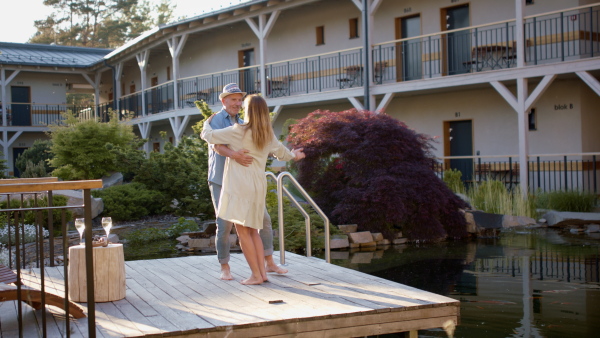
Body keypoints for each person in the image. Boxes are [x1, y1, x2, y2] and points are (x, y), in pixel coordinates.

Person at [201, 93, 304, 285]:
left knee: (243, 232)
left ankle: (256, 275)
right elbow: (284, 155)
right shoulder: (267, 134)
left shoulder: (238, 130)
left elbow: (207, 136)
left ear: (246, 110)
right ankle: (262, 274)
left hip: (240, 185)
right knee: (254, 230)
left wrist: (208, 121)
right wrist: (295, 155)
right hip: (258, 186)